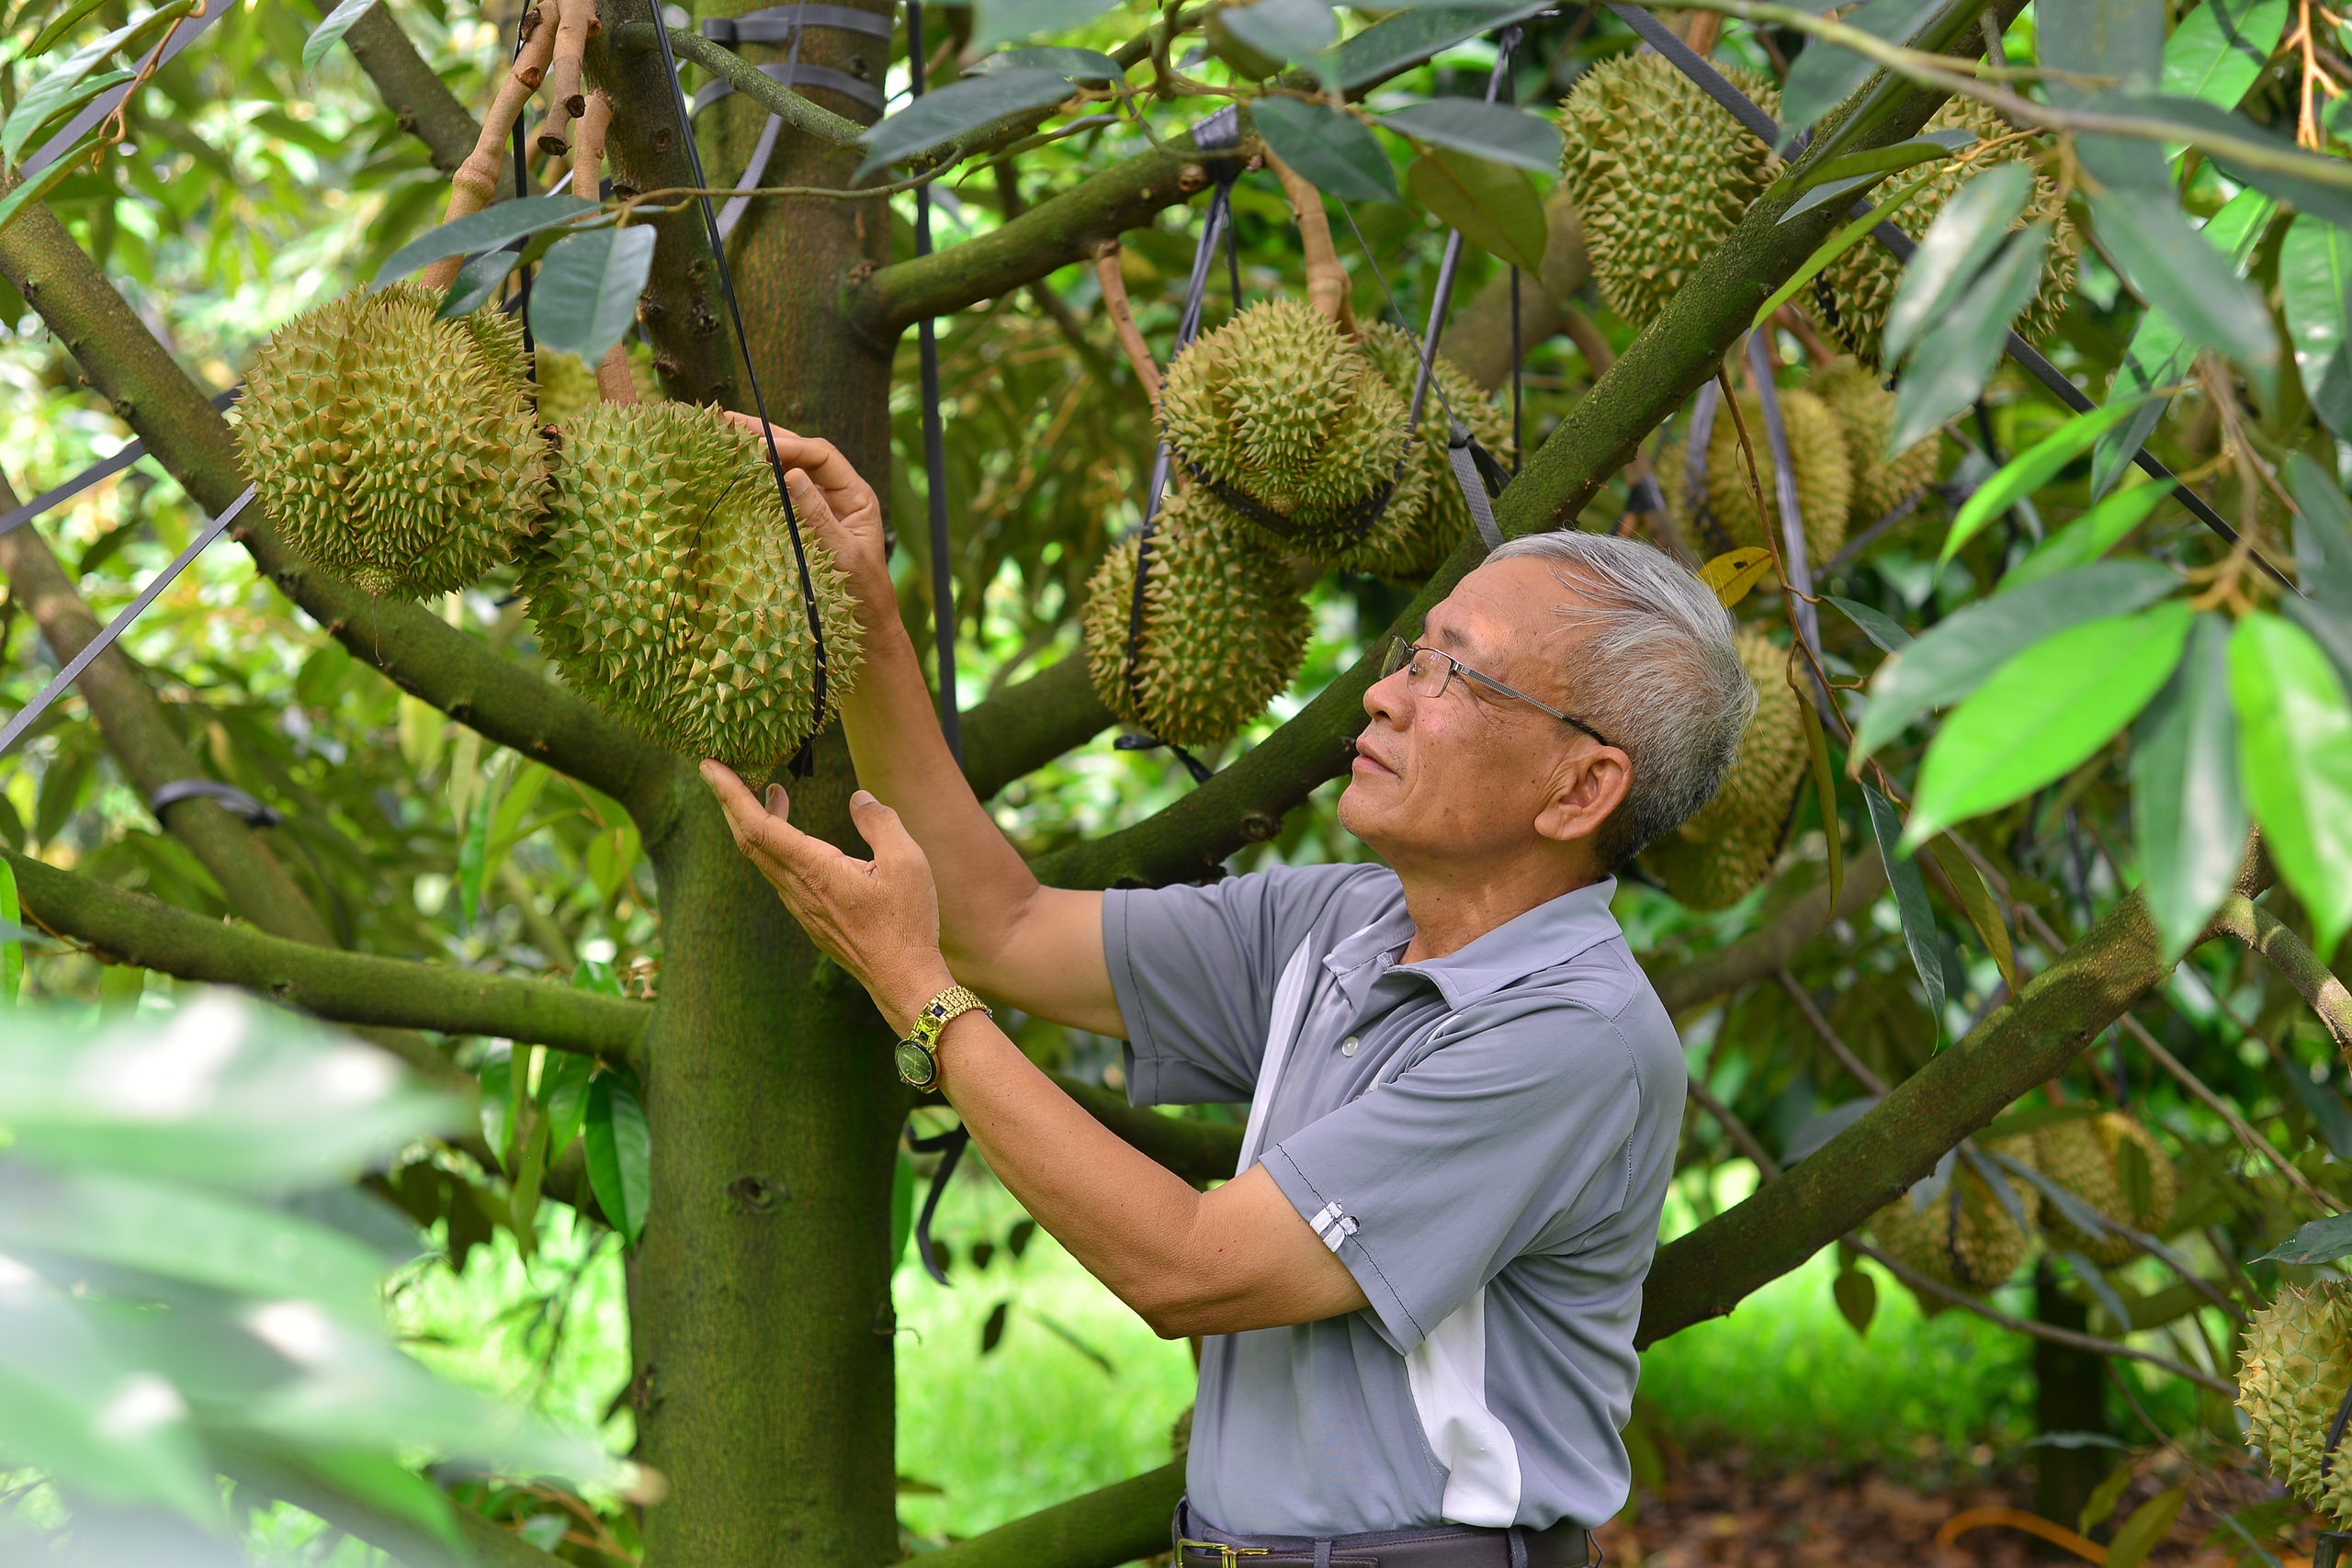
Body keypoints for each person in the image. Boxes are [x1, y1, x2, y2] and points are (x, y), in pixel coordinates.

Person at [701, 418, 1757, 1568]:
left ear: (1580, 787)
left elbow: (1191, 1269)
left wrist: (921, 996)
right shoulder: (1343, 923)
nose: (1390, 696)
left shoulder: (1569, 1038)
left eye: (1456, 670)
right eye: (1414, 652)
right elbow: (1002, 925)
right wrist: (867, 617)